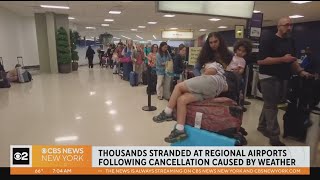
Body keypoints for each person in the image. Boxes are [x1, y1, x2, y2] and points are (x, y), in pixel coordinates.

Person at [153, 32, 233, 143]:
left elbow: (217, 72)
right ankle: (180, 130)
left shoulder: (227, 56)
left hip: (213, 82)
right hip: (208, 86)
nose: (213, 44)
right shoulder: (205, 55)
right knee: (182, 100)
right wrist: (200, 79)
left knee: (178, 87)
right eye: (211, 42)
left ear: (220, 41)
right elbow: (197, 69)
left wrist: (203, 77)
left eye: (216, 41)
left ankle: (167, 112)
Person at [257, 17, 313, 146]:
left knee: (270, 103)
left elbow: (292, 60)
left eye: (290, 25)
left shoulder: (290, 41)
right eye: (286, 25)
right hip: (268, 76)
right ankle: (274, 136)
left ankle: (261, 125)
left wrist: (300, 71)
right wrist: (282, 59)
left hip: (283, 77)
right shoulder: (268, 39)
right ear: (279, 26)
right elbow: (261, 61)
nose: (289, 27)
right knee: (272, 106)